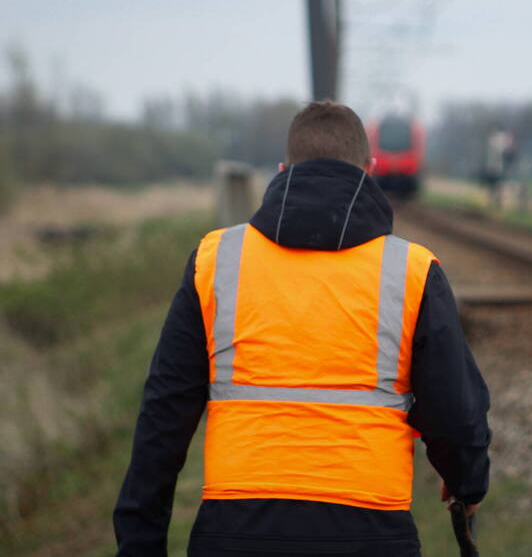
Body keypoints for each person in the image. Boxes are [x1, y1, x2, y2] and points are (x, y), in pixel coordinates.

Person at [114, 101, 491, 556]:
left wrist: (140, 542)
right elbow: (455, 410)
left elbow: (164, 414)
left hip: (235, 531)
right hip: (371, 532)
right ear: (369, 170)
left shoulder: (216, 262)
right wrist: (468, 484)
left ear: (282, 170)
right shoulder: (411, 271)